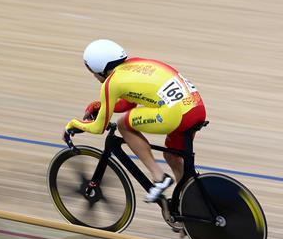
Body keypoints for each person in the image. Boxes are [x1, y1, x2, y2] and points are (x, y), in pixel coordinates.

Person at [65, 39, 207, 203]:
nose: (93, 75)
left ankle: (159, 177)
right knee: (172, 156)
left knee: (123, 125)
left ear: (98, 69)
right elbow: (130, 101)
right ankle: (192, 207)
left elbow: (99, 127)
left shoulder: (111, 83)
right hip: (195, 108)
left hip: (177, 115)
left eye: (91, 70)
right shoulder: (135, 63)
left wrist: (73, 125)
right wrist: (101, 106)